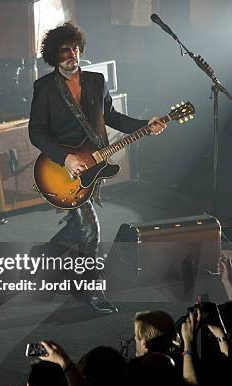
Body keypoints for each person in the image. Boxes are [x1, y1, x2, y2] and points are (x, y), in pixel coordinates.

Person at [28, 22, 167, 313]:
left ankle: (43, 256)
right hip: (60, 170)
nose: (72, 55)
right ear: (54, 55)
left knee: (77, 227)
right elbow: (36, 133)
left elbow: (112, 117)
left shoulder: (96, 80)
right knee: (90, 229)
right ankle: (91, 291)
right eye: (65, 51)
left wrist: (146, 125)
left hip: (93, 167)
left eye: (75, 49)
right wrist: (66, 159)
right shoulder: (44, 88)